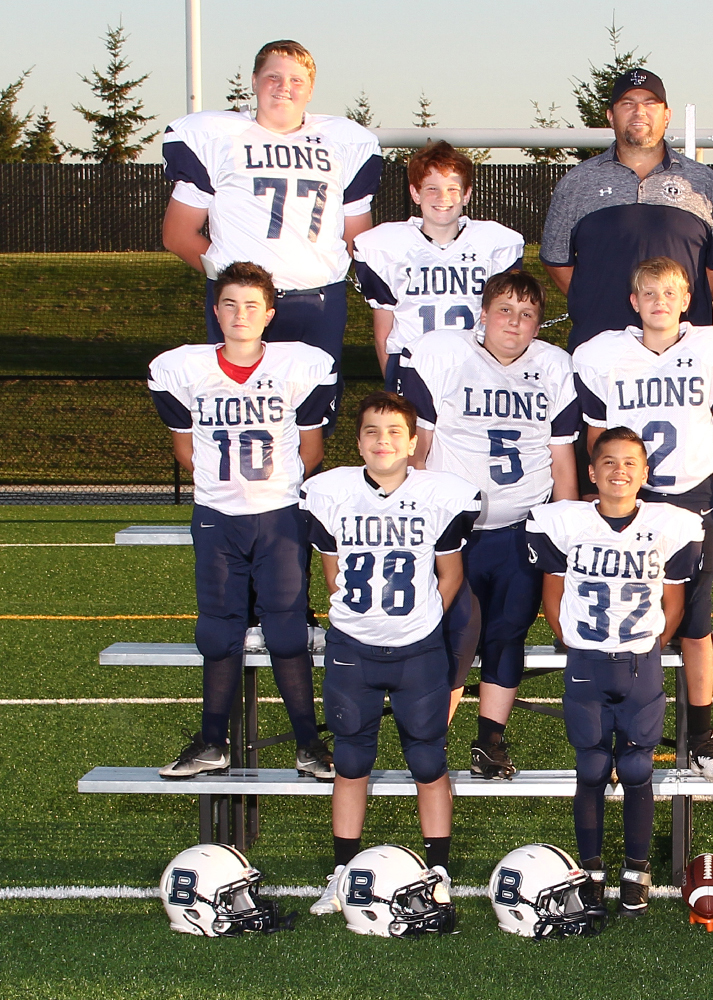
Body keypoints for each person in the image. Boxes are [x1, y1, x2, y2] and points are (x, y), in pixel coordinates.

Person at [148, 261, 336, 781]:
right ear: (216, 310)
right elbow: (186, 449)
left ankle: (308, 743)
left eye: (252, 305)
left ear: (269, 314)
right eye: (230, 304)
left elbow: (311, 448)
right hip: (217, 516)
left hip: (277, 515)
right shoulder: (185, 369)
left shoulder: (299, 365)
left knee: (286, 629)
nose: (240, 314)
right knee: (218, 628)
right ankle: (213, 741)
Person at [303, 392, 481, 916]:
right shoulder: (329, 493)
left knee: (428, 759)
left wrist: (416, 619)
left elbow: (449, 577)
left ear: (412, 442)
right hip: (353, 646)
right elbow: (331, 571)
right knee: (351, 761)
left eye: (394, 433)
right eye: (372, 432)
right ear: (358, 441)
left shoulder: (440, 496)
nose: (383, 442)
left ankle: (438, 870)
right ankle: (342, 870)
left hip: (417, 649)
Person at [572, 257, 713, 782]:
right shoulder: (603, 355)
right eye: (648, 294)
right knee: (626, 625)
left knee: (694, 627)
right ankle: (613, 736)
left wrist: (695, 498)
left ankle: (703, 737)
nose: (659, 303)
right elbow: (596, 442)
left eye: (669, 293)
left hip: (691, 498)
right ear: (633, 302)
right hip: (628, 501)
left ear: (687, 298)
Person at [398, 271, 580, 777]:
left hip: (518, 525)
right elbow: (421, 447)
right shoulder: (446, 356)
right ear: (482, 312)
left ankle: (488, 742)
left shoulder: (553, 367)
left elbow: (562, 460)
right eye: (504, 310)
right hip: (452, 530)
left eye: (526, 315)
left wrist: (559, 531)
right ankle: (430, 739)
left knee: (507, 634)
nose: (514, 323)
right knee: (449, 634)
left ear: (539, 325)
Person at [527, 427, 705, 918]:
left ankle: (636, 869)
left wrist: (647, 645)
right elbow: (553, 590)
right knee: (590, 767)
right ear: (591, 471)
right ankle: (591, 869)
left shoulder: (670, 524)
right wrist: (571, 638)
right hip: (586, 659)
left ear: (645, 472)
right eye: (608, 462)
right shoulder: (565, 523)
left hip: (639, 661)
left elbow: (674, 600)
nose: (619, 471)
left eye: (630, 463)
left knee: (636, 768)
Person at [161, 38, 383, 427]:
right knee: (241, 413)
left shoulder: (344, 142)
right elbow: (178, 235)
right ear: (253, 81)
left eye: (296, 79)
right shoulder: (217, 136)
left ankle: (302, 490)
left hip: (318, 300)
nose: (284, 87)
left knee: (311, 416)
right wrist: (234, 281)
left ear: (311, 89)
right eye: (273, 77)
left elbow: (357, 240)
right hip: (243, 303)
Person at [540, 69, 713, 351]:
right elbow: (556, 259)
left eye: (650, 103)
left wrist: (676, 306)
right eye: (628, 103)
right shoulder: (577, 182)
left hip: (682, 356)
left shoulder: (703, 182)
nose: (639, 111)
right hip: (601, 352)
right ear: (610, 115)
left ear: (667, 115)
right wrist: (595, 302)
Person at [353, 140, 524, 392]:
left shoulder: (494, 244)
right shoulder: (386, 246)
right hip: (414, 369)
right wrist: (394, 385)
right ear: (415, 193)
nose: (442, 198)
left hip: (476, 368)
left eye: (452, 189)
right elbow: (383, 334)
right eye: (431, 188)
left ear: (466, 194)